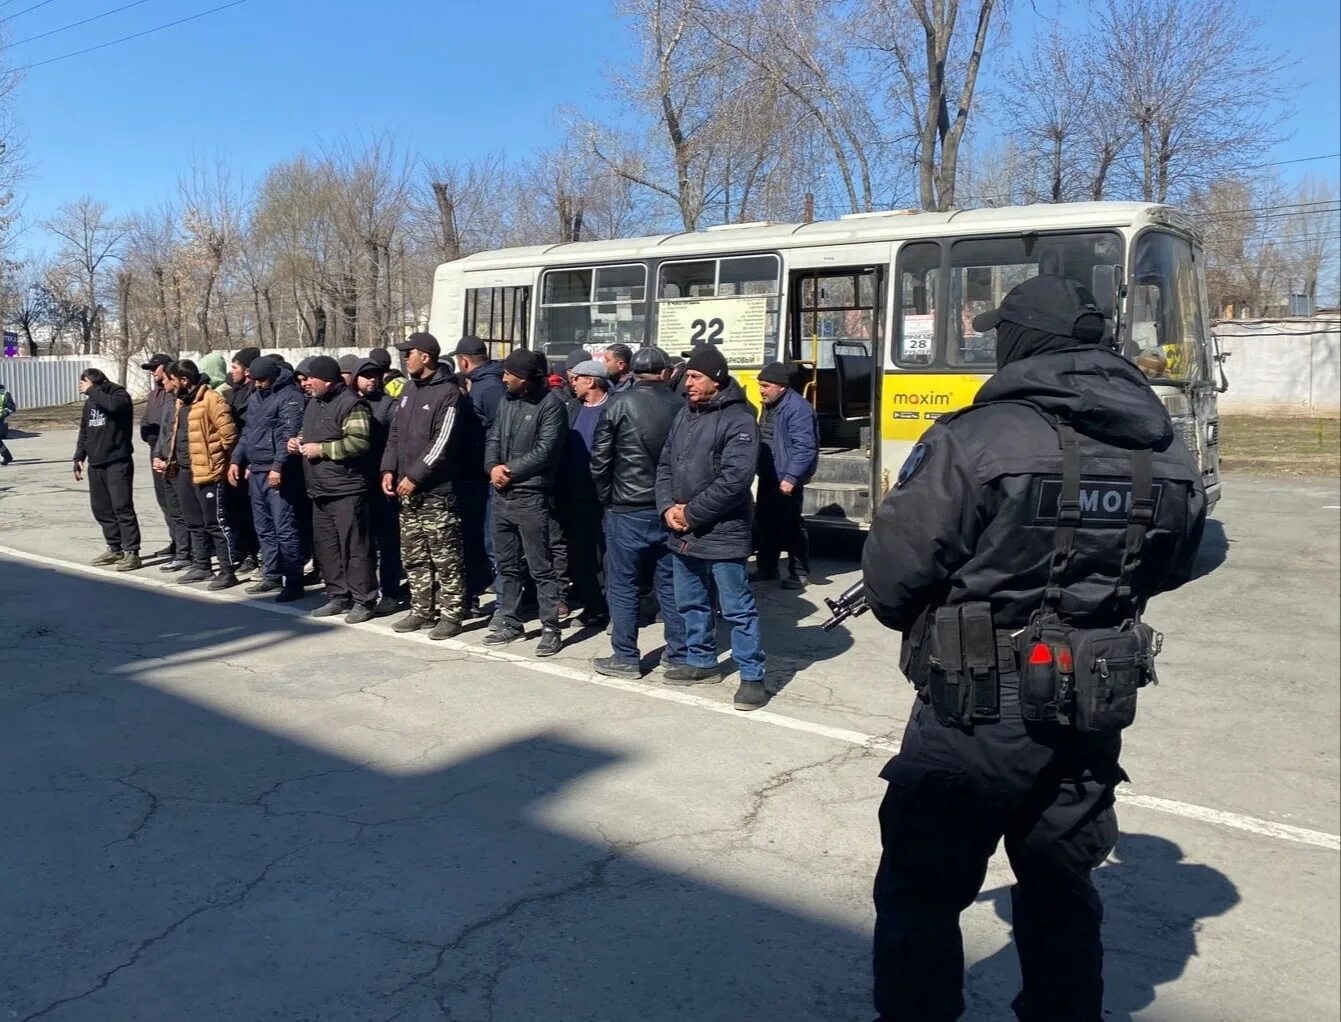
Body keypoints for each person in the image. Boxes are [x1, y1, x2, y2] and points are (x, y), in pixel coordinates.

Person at [861, 275, 1208, 1022]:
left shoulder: (975, 437)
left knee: (920, 893)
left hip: (972, 711)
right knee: (1060, 886)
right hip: (1092, 703)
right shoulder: (1164, 447)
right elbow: (1176, 563)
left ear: (1023, 342)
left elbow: (892, 576)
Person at [655, 346, 768, 709]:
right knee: (690, 601)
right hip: (682, 530)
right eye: (687, 376)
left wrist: (692, 514)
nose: (686, 383)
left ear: (716, 379)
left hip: (724, 531)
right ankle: (701, 661)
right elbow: (665, 466)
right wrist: (667, 508)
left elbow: (735, 481)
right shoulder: (685, 415)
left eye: (694, 377)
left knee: (737, 608)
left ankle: (752, 676)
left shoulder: (740, 420)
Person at [588, 347, 688, 678]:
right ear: (667, 372)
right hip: (667, 507)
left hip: (626, 507)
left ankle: (626, 657)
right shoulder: (681, 405)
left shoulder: (619, 403)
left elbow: (600, 460)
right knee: (670, 584)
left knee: (623, 584)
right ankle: (678, 653)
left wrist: (608, 498)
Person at [380, 334, 471, 639]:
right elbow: (394, 434)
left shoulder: (448, 394)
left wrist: (415, 476)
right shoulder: (408, 390)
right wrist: (388, 470)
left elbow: (441, 444)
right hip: (407, 492)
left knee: (445, 558)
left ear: (427, 357)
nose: (405, 360)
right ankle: (421, 610)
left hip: (437, 493)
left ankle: (451, 614)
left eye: (410, 354)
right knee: (414, 556)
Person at [482, 348, 568, 656]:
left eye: (510, 374)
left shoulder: (552, 405)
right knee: (506, 565)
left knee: (540, 566)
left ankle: (551, 627)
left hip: (531, 496)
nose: (504, 379)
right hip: (501, 495)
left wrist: (511, 470)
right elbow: (492, 438)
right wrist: (492, 467)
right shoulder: (507, 401)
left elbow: (546, 450)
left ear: (528, 379)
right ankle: (510, 621)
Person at [293, 355, 378, 623]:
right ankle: (337, 595)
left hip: (346, 489)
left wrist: (323, 450)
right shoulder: (313, 404)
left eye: (311, 379)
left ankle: (363, 599)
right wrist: (297, 442)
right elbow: (312, 434)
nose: (306, 383)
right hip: (320, 489)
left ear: (327, 381)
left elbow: (358, 443)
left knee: (355, 548)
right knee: (327, 547)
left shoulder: (353, 405)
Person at [227, 356, 307, 602]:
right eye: (255, 380)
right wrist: (236, 460)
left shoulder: (290, 397)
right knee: (263, 527)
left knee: (284, 528)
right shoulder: (255, 398)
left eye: (262, 380)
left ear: (272, 377)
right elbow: (249, 432)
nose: (258, 384)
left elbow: (288, 434)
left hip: (278, 471)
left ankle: (294, 580)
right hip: (257, 469)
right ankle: (271, 573)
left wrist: (278, 466)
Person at [158, 360, 240, 589]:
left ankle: (227, 570)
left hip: (209, 472)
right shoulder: (180, 402)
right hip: (185, 470)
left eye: (172, 380)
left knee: (215, 523)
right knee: (193, 521)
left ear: (184, 380)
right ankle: (201, 565)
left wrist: (222, 464)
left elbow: (229, 437)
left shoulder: (212, 400)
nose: (170, 385)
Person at [452, 334, 506, 611]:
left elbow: (498, 433)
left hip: (485, 477)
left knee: (491, 541)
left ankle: (505, 606)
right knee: (478, 538)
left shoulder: (489, 388)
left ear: (464, 362)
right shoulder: (484, 385)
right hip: (476, 475)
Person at [754, 362, 819, 590]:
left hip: (786, 478)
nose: (761, 390)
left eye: (765, 386)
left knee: (791, 524)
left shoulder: (798, 408)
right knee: (766, 522)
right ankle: (767, 568)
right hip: (769, 475)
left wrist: (791, 477)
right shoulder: (771, 405)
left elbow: (805, 447)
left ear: (781, 387)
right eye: (760, 385)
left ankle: (799, 572)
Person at [559, 359, 611, 627]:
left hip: (606, 496)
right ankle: (593, 606)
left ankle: (614, 607)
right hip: (574, 493)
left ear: (591, 381)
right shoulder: (572, 408)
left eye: (577, 378)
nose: (573, 382)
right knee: (580, 554)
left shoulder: (614, 408)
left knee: (609, 556)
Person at [73, 368, 142, 571]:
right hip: (96, 464)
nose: (81, 386)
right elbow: (84, 431)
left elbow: (113, 407)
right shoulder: (90, 402)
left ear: (94, 383)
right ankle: (115, 548)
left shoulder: (118, 395)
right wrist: (79, 457)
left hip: (117, 461)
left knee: (122, 507)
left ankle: (132, 552)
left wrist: (92, 390)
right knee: (101, 508)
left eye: (83, 382)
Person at [355, 357, 405, 615]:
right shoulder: (352, 405)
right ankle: (364, 591)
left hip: (384, 482)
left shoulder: (389, 406)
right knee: (362, 542)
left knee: (388, 542)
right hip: (357, 483)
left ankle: (391, 591)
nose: (371, 379)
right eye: (365, 375)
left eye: (375, 375)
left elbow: (395, 441)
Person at [138, 354, 185, 560]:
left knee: (179, 502)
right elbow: (145, 421)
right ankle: (175, 541)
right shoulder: (154, 395)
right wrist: (151, 439)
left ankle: (187, 545)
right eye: (150, 368)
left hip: (172, 455)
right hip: (156, 453)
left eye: (155, 367)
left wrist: (162, 443)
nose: (152, 371)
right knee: (164, 500)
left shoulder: (173, 394)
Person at [223, 347, 262, 574]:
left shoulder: (254, 394)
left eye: (236, 367)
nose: (232, 371)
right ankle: (242, 551)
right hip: (233, 459)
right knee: (235, 510)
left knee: (250, 511)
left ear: (247, 370)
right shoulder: (233, 391)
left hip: (248, 460)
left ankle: (254, 554)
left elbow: (249, 430)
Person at [0, 380, 16, 466]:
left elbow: (11, 407)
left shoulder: (4, 394)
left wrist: (3, 414)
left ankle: (7, 456)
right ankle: (7, 456)